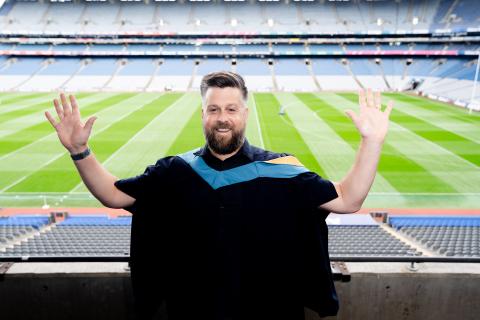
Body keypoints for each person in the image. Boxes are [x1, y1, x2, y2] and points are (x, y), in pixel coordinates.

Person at [45, 71, 393, 320]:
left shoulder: (282, 170)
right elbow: (113, 195)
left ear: (244, 113)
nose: (222, 118)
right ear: (202, 115)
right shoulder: (175, 171)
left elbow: (348, 199)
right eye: (213, 109)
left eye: (230, 109)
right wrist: (79, 150)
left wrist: (372, 142)